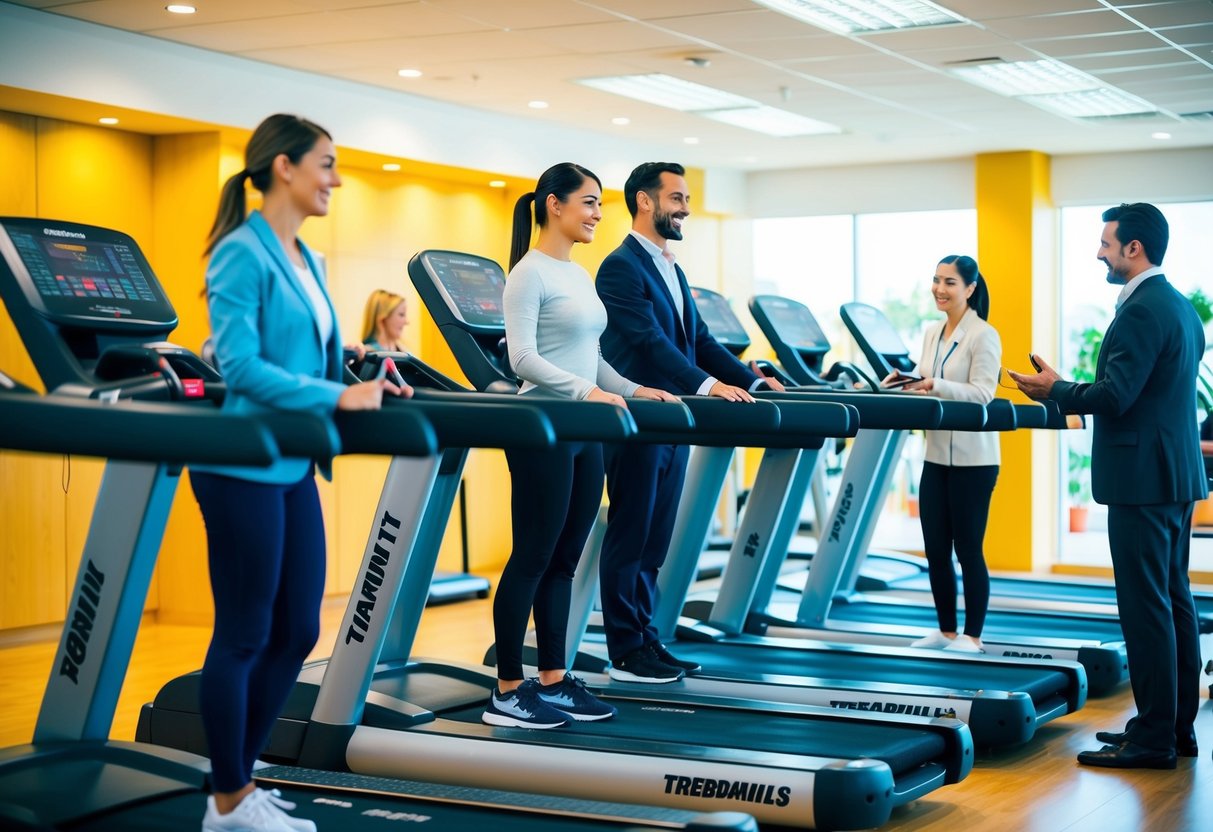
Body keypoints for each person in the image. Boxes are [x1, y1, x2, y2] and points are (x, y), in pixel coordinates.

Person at [192, 114, 403, 831]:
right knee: (245, 633)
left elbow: (311, 356)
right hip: (242, 461)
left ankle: (241, 783)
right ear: (283, 167)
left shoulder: (305, 258)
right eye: (326, 164)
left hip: (292, 463)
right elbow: (243, 365)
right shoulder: (238, 253)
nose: (335, 179)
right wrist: (336, 395)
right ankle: (226, 800)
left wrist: (364, 373)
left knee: (297, 629)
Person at [1010, 202, 1207, 770]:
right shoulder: (1181, 308)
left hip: (1142, 481)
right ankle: (1171, 729)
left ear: (1133, 248)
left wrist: (1056, 388)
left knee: (1147, 608)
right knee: (1172, 603)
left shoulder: (1144, 310)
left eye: (1105, 243)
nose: (1099, 251)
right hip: (1171, 476)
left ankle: (1153, 741)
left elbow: (1115, 396)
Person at [485, 162, 678, 729]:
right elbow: (522, 359)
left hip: (582, 430)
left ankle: (553, 679)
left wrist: (635, 389)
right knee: (533, 557)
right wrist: (588, 392)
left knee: (566, 561)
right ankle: (506, 690)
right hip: (542, 426)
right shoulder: (528, 274)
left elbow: (588, 356)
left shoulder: (576, 273)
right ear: (554, 205)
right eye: (589, 203)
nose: (597, 213)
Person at [595, 162, 784, 684]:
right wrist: (707, 387)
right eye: (676, 197)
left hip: (674, 422)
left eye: (686, 198)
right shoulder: (620, 267)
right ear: (644, 202)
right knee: (631, 535)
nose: (685, 208)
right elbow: (649, 342)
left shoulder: (672, 269)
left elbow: (698, 341)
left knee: (656, 540)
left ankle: (647, 639)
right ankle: (625, 652)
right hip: (640, 418)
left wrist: (753, 381)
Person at [885, 255, 1000, 654]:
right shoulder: (932, 332)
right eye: (936, 280)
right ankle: (946, 631)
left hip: (975, 460)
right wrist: (908, 382)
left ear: (969, 289)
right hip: (936, 456)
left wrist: (936, 385)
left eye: (950, 282)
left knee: (968, 548)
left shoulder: (984, 335)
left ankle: (973, 636)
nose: (940, 288)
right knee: (935, 548)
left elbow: (984, 393)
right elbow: (926, 376)